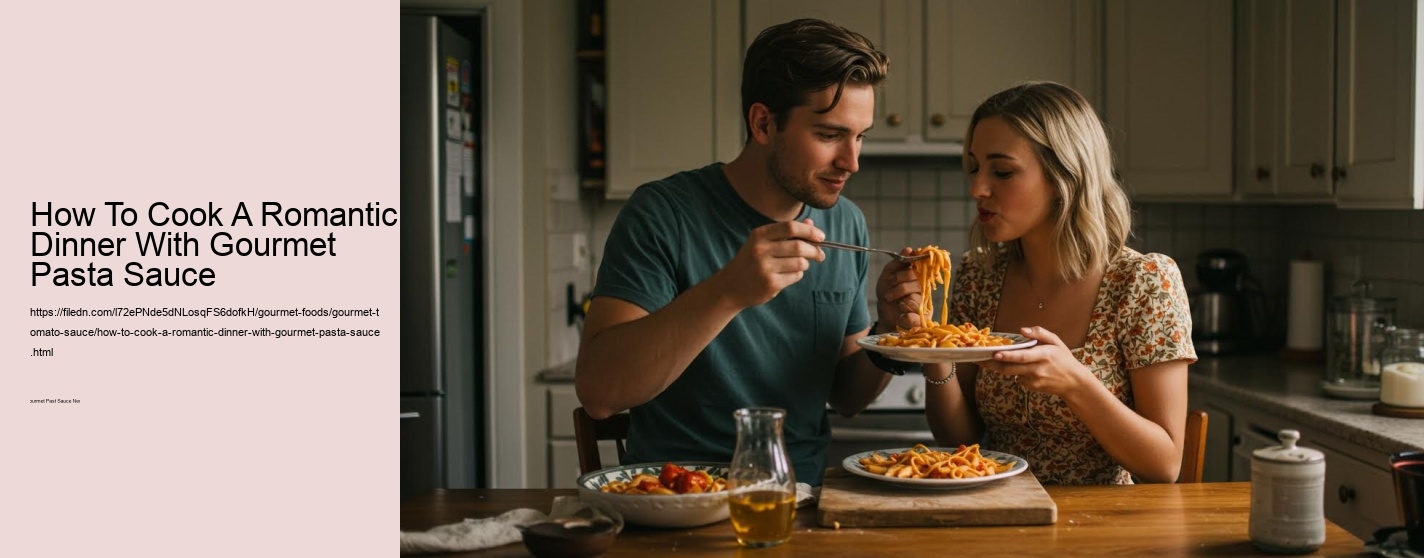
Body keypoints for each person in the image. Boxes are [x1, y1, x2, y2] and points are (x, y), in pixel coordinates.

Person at [574, 18, 914, 486]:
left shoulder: (845, 221)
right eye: (830, 135)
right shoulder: (663, 212)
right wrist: (728, 292)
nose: (851, 162)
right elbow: (600, 393)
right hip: (677, 496)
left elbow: (847, 398)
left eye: (860, 136)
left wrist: (890, 333)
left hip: (802, 498)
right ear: (763, 123)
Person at [908, 81, 1196, 484]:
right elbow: (960, 437)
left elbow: (1164, 465)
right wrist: (932, 352)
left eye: (1003, 171)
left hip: (1102, 530)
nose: (977, 188)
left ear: (1065, 176)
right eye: (974, 167)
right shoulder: (979, 276)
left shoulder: (1142, 282)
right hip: (1000, 514)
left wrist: (1075, 383)